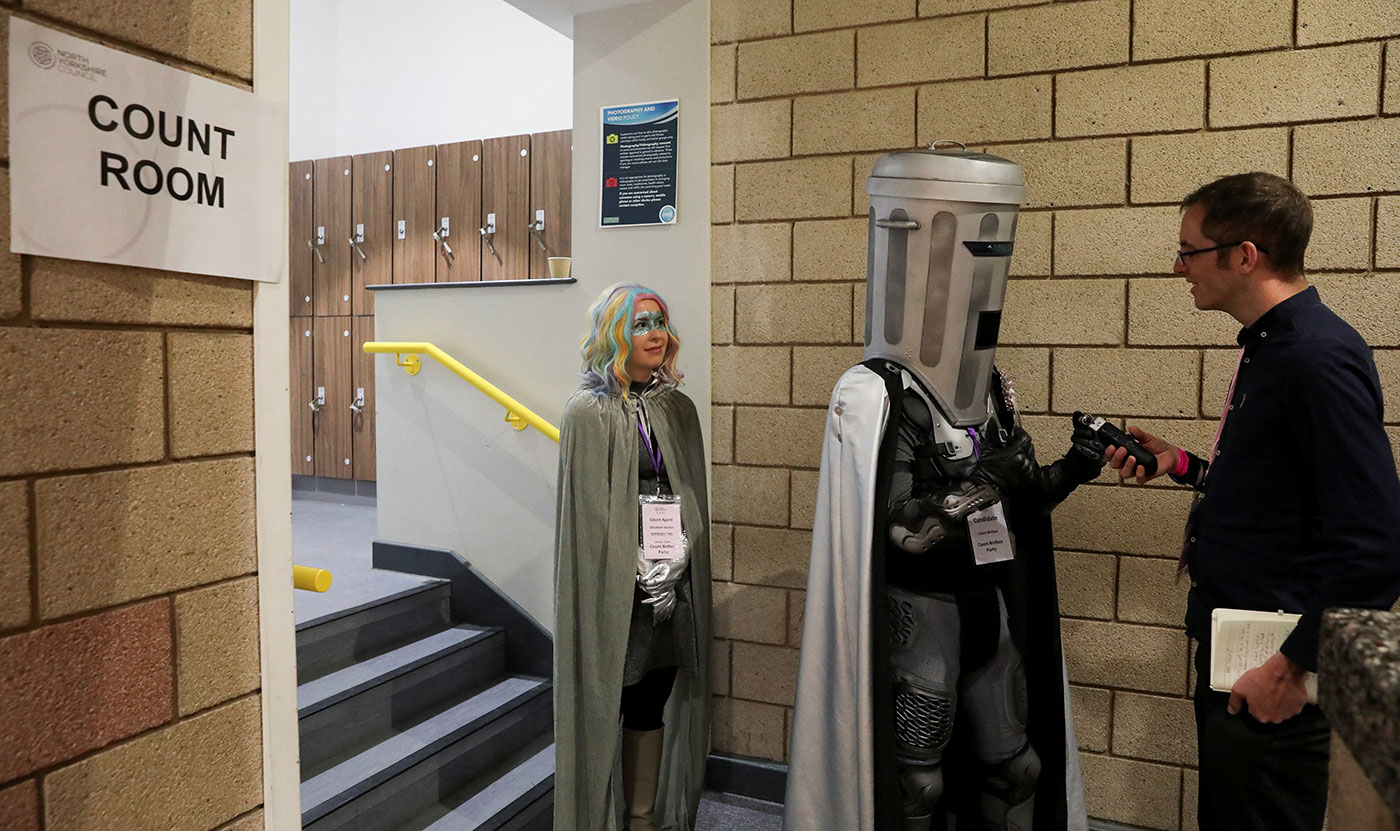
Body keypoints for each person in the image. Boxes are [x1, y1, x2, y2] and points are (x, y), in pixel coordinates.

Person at [786, 146, 1101, 831]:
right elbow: (898, 525)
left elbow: (1024, 503)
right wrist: (985, 481)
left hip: (988, 603)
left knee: (1017, 767)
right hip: (921, 613)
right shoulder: (880, 393)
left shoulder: (989, 389)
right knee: (915, 785)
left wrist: (1074, 465)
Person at [1105, 172, 1400, 831]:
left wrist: (1292, 667)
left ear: (1245, 254)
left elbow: (1377, 543)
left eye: (1190, 250)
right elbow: (1278, 496)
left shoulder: (1315, 358)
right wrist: (1178, 463)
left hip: (1272, 670)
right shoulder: (1270, 349)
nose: (1179, 267)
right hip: (1238, 656)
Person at [553, 283, 711, 831]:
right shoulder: (587, 412)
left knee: (653, 694)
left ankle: (643, 819)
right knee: (609, 695)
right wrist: (633, 563)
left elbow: (689, 493)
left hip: (674, 582)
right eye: (641, 323)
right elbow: (590, 515)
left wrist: (680, 555)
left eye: (660, 322)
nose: (655, 333)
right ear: (614, 333)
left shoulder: (677, 408)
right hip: (617, 588)